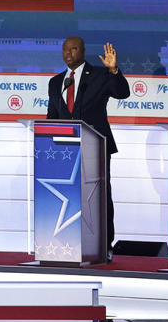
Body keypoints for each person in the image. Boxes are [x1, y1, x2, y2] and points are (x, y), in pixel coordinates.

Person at [46, 36, 130, 255]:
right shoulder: (56, 82)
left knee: (100, 195)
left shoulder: (100, 75)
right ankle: (70, 240)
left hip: (96, 147)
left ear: (83, 51)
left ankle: (104, 245)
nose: (68, 53)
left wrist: (113, 70)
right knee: (69, 195)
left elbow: (123, 93)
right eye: (65, 50)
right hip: (67, 150)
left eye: (73, 49)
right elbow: (52, 117)